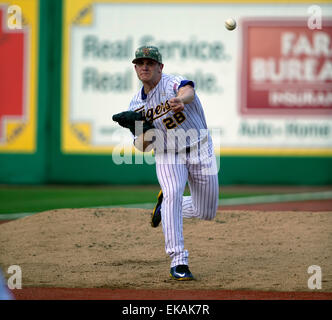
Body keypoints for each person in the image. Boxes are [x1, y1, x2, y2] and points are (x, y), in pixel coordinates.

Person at [118, 45, 219, 280]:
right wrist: (140, 128)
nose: (144, 66)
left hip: (199, 146)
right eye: (140, 63)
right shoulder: (136, 105)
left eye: (150, 63)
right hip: (167, 153)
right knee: (173, 192)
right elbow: (143, 146)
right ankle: (178, 261)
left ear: (160, 67)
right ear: (135, 68)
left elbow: (189, 90)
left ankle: (164, 207)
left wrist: (182, 100)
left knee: (206, 211)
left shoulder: (171, 83)